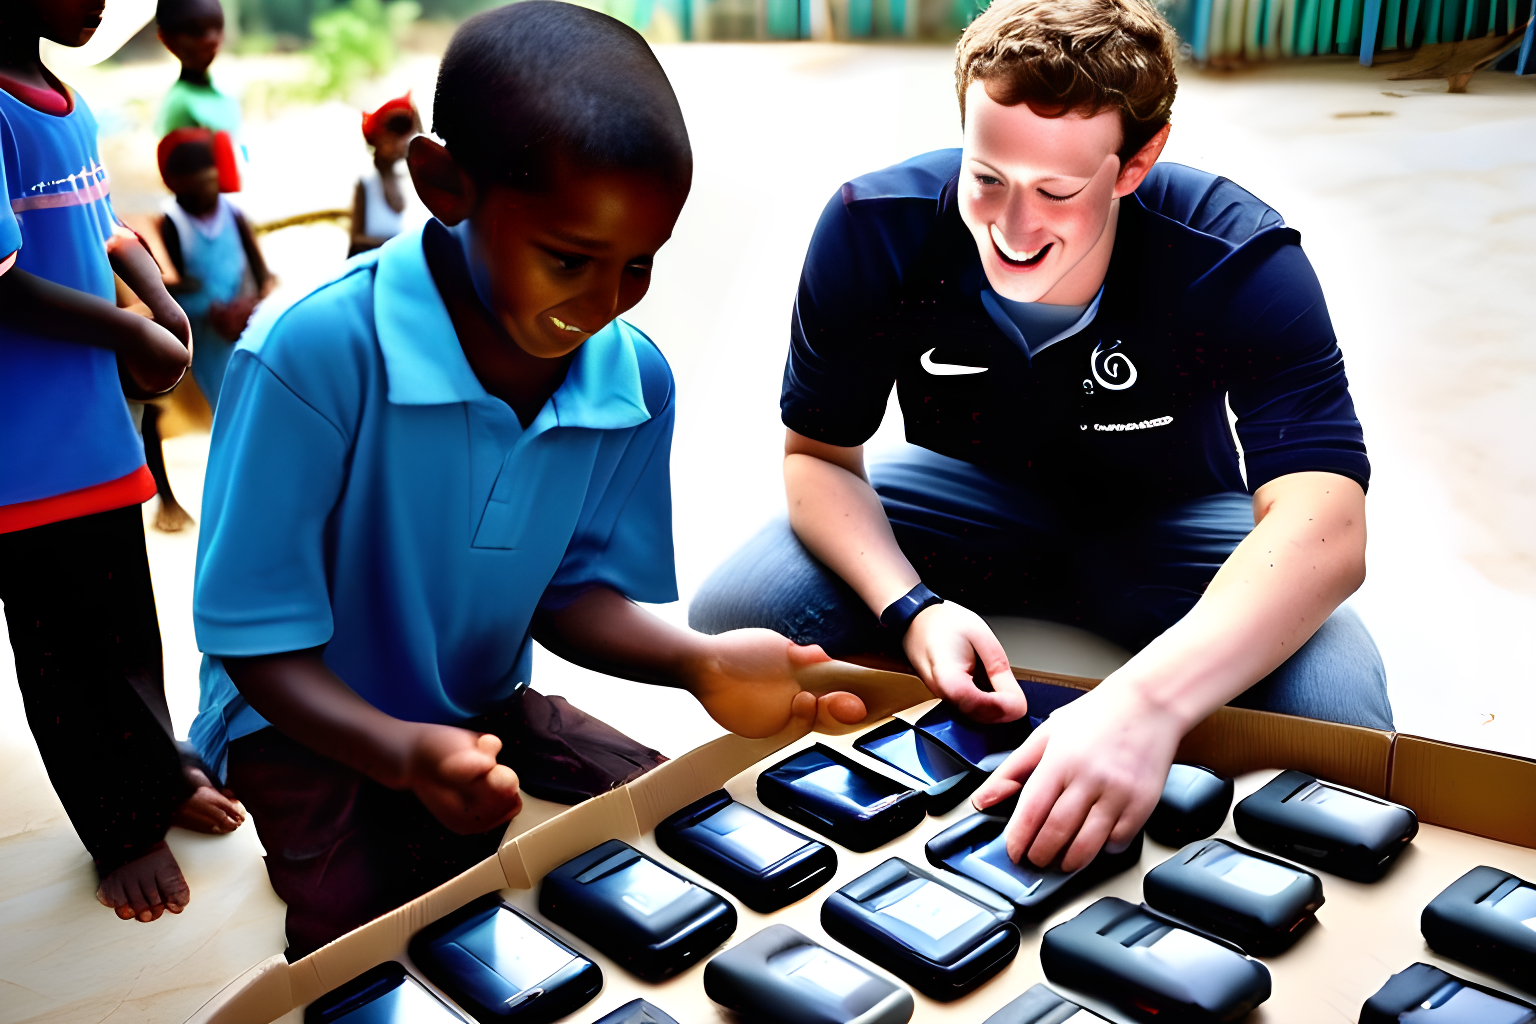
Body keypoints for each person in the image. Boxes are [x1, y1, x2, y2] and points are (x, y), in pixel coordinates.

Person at [190, 1, 865, 960]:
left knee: (678, 814)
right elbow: (258, 649)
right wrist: (399, 752)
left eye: (637, 266)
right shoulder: (310, 356)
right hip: (300, 717)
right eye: (568, 259)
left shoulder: (633, 379)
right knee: (380, 934)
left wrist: (694, 661)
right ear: (441, 183)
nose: (601, 306)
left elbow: (567, 594)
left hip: (476, 698)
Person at [690, 0, 1392, 876]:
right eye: (987, 178)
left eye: (1057, 192)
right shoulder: (875, 226)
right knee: (736, 616)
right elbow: (818, 460)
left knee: (1338, 720)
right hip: (966, 497)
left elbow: (1327, 522)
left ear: (1138, 162)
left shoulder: (1234, 253)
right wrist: (913, 609)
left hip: (1173, 519)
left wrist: (1146, 705)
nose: (1011, 232)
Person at [0, 0, 244, 926]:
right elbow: (3, 277)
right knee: (64, 654)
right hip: (21, 455)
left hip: (94, 433)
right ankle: (118, 826)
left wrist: (157, 304)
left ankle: (156, 767)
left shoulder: (64, 99)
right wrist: (129, 329)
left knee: (124, 622)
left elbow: (107, 232)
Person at [157, 127, 273, 412]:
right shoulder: (172, 223)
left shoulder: (232, 213)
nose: (208, 189)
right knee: (224, 403)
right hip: (206, 333)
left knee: (256, 393)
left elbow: (260, 269)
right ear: (177, 185)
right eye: (199, 183)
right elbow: (168, 284)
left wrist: (257, 299)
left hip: (244, 320)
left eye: (212, 180)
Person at [154, 0, 242, 191]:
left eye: (217, 28)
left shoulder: (225, 89)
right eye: (196, 32)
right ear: (167, 38)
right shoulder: (178, 104)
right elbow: (181, 177)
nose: (210, 39)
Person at [348, 92, 426, 257]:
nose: (403, 141)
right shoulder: (366, 182)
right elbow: (356, 240)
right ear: (379, 140)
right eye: (394, 135)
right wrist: (401, 244)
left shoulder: (411, 176)